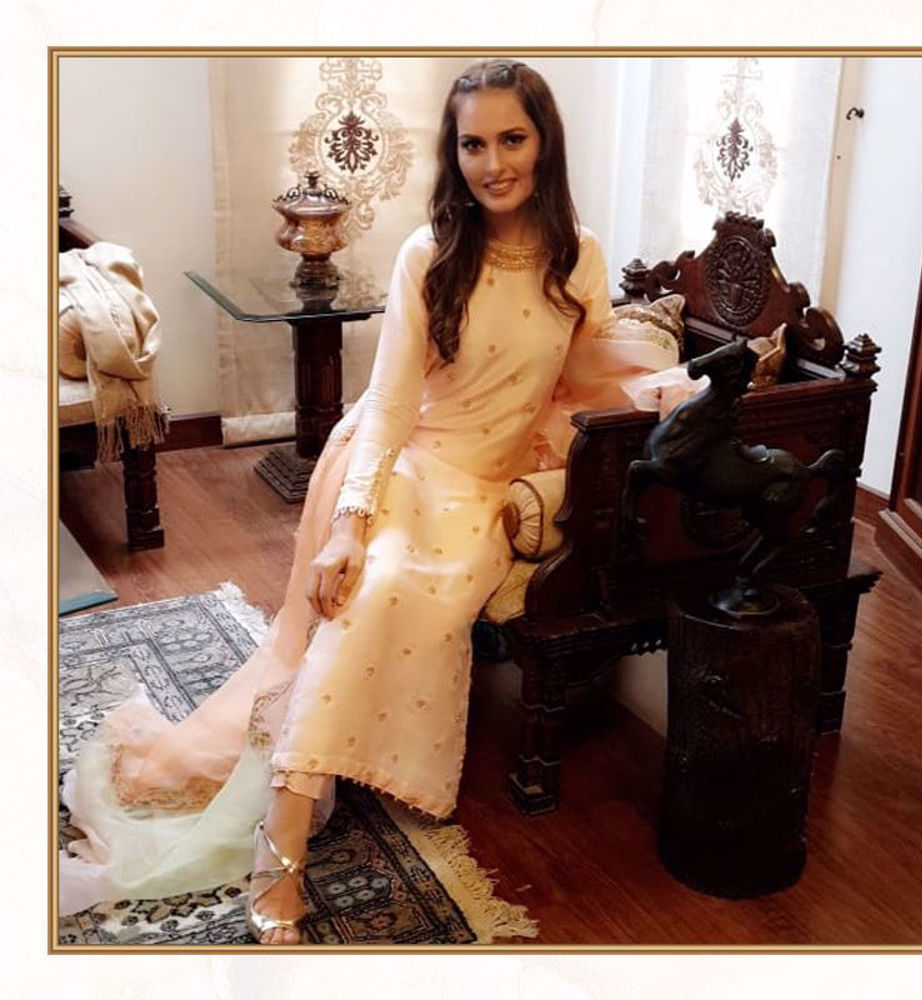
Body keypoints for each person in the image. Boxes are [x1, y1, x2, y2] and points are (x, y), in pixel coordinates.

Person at [59, 59, 697, 945]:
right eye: (473, 144)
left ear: (545, 143)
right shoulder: (429, 253)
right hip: (404, 466)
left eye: (512, 139)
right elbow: (393, 403)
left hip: (484, 490)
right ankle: (278, 855)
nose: (493, 163)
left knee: (411, 601)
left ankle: (318, 776)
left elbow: (581, 372)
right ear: (453, 152)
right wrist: (350, 528)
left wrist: (670, 389)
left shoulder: (578, 254)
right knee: (369, 590)